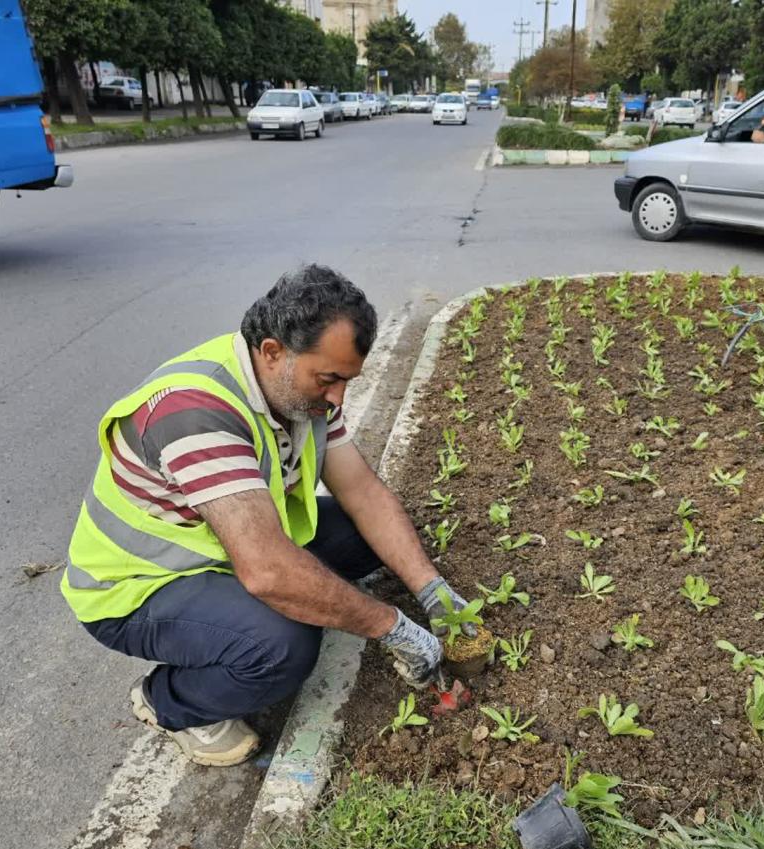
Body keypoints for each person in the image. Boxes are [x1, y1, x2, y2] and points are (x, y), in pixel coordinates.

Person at [61, 264, 475, 766]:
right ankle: (172, 702)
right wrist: (391, 626)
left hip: (228, 542)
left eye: (347, 380)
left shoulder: (303, 390)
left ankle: (282, 607)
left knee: (366, 537)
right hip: (139, 585)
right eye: (329, 379)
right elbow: (266, 570)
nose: (338, 397)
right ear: (273, 351)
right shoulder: (195, 412)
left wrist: (432, 591)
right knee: (283, 645)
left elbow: (363, 492)